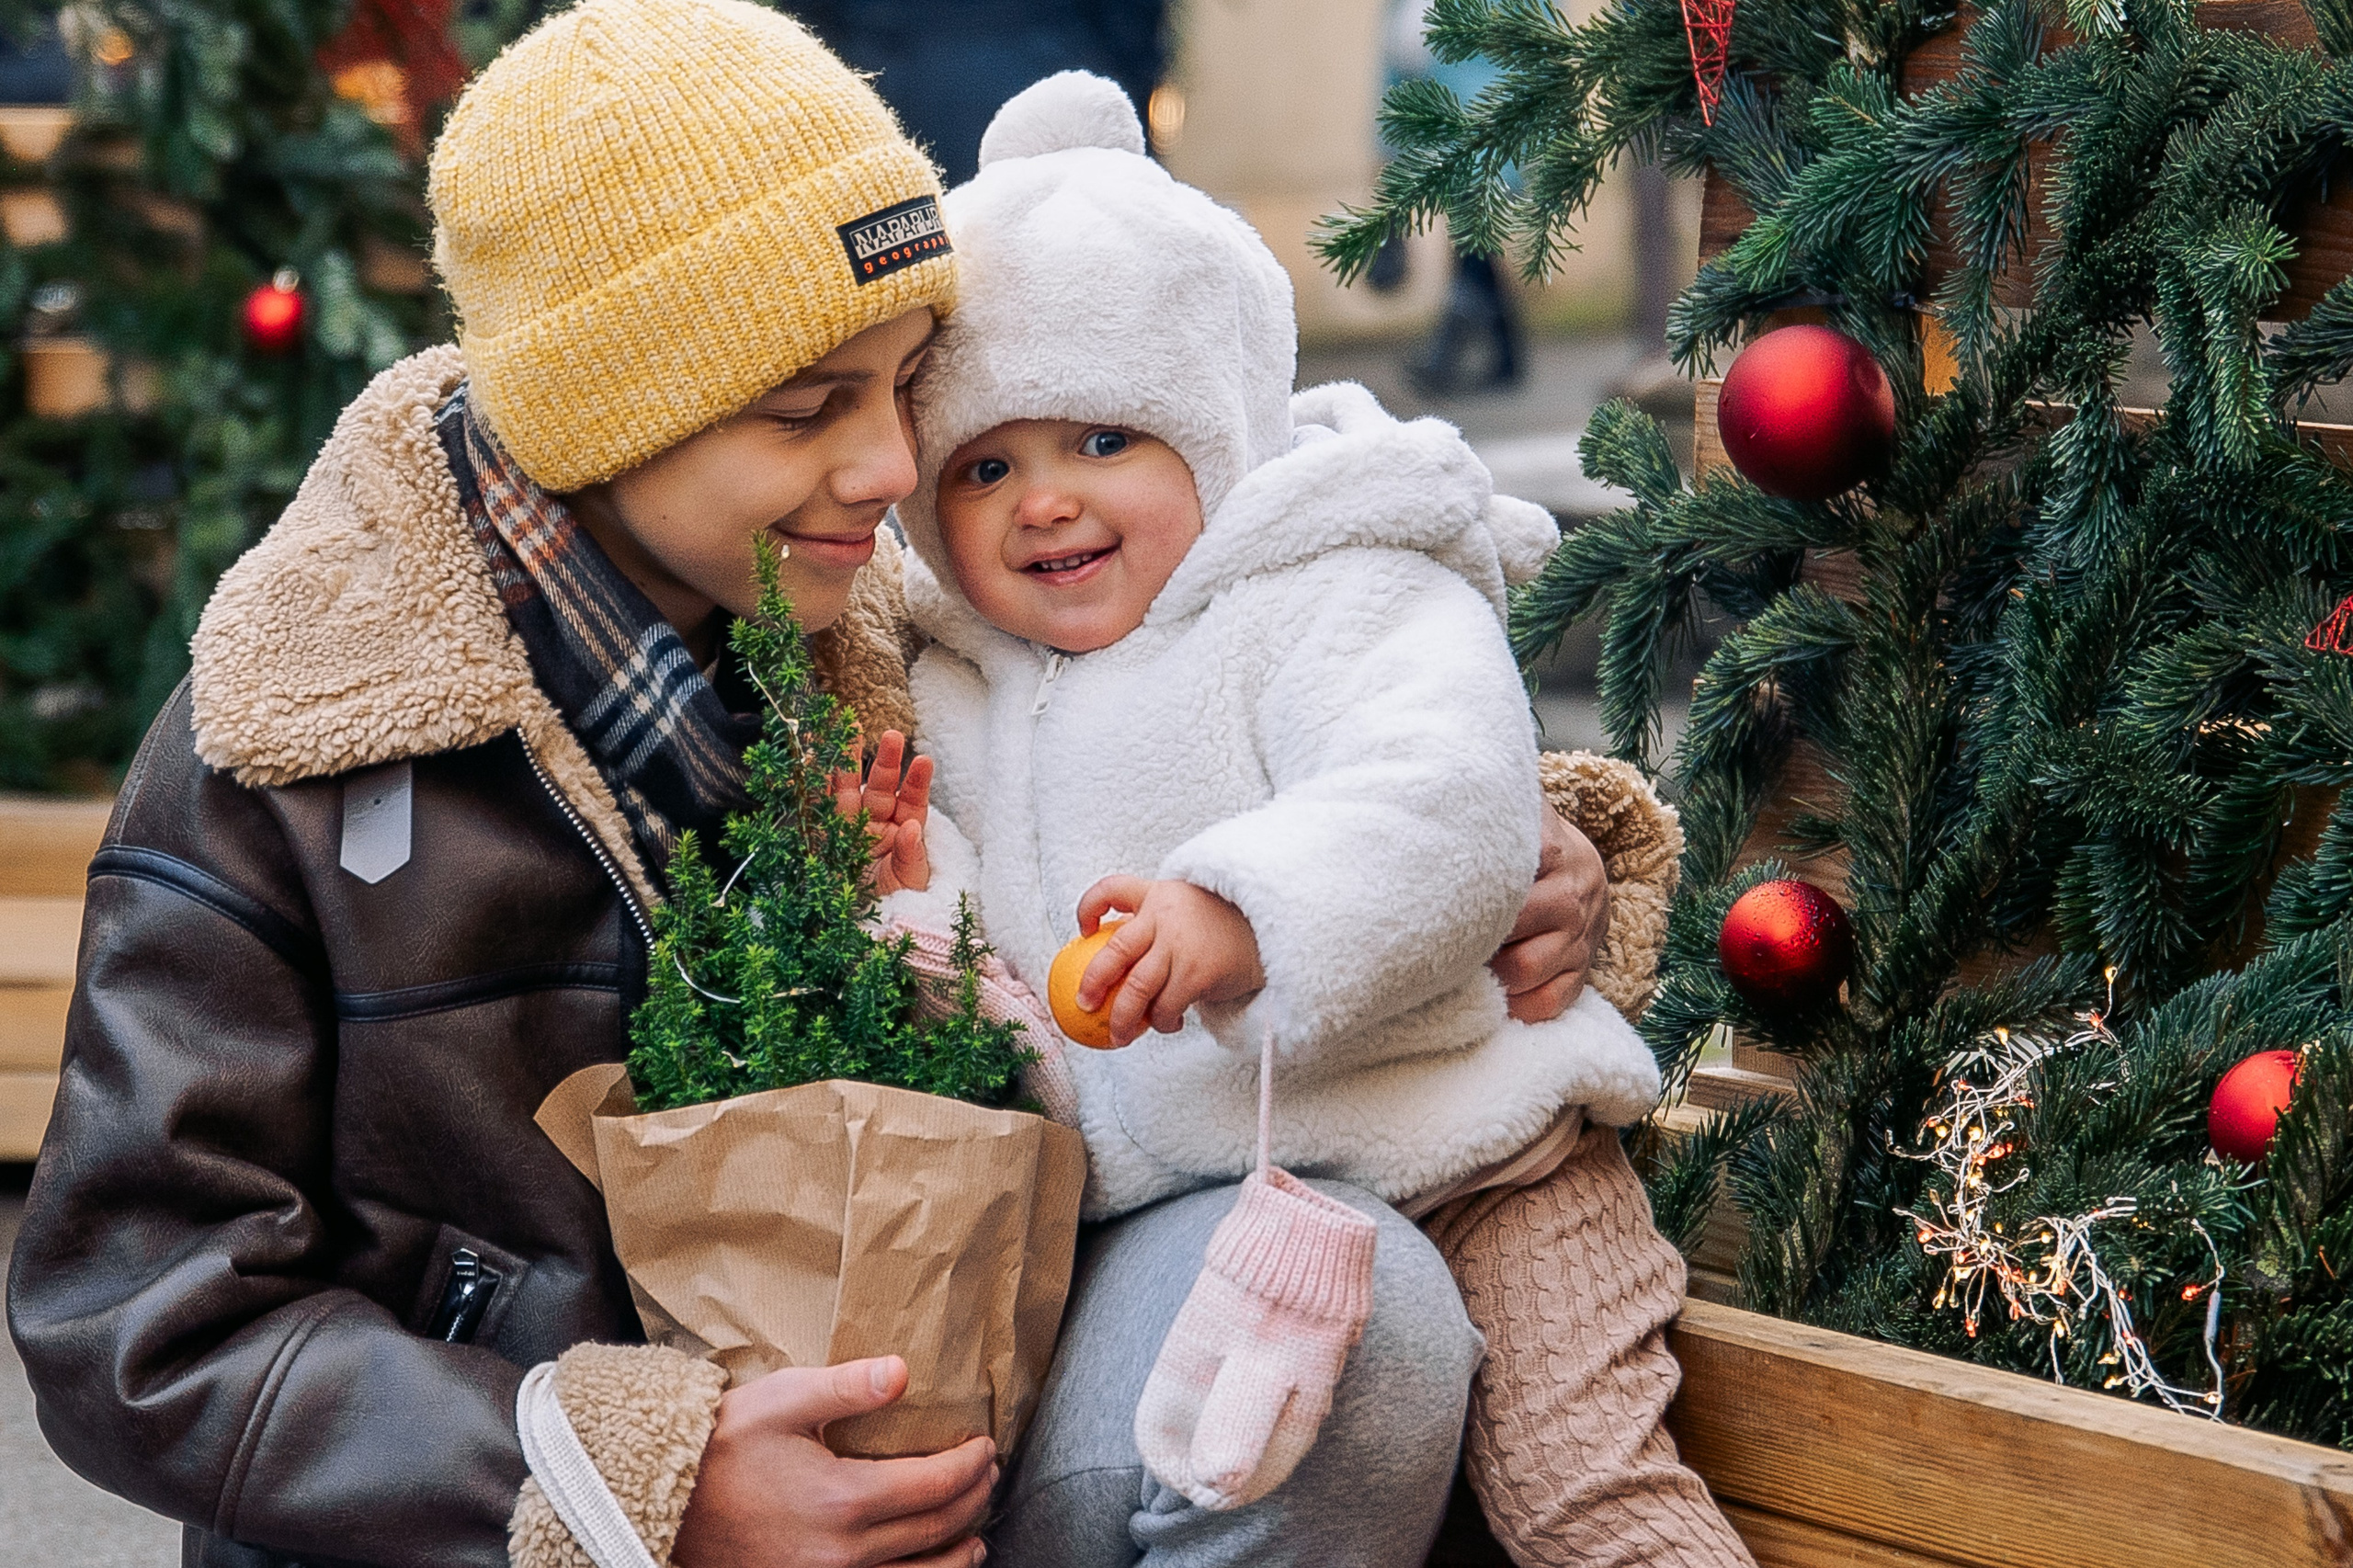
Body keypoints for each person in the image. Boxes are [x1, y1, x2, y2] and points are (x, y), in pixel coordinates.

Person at [1, 5, 1612, 1566]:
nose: (898, 472)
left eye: (904, 385)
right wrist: (625, 1480)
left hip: (943, 1428)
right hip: (514, 1523)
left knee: (1361, 1326)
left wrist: (1527, 857)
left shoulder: (891, 620)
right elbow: (134, 1313)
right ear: (608, 412)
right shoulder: (303, 725)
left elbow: (1265, 706)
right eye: (808, 409)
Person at [870, 74, 1753, 1567]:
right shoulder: (958, 684)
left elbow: (1448, 798)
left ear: (1211, 428)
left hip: (1485, 1159)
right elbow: (1004, 1009)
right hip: (1208, 1218)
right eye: (986, 464)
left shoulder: (1338, 578)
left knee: (1590, 1493)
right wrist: (909, 893)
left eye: (1103, 441)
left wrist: (1239, 910)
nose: (1043, 503)